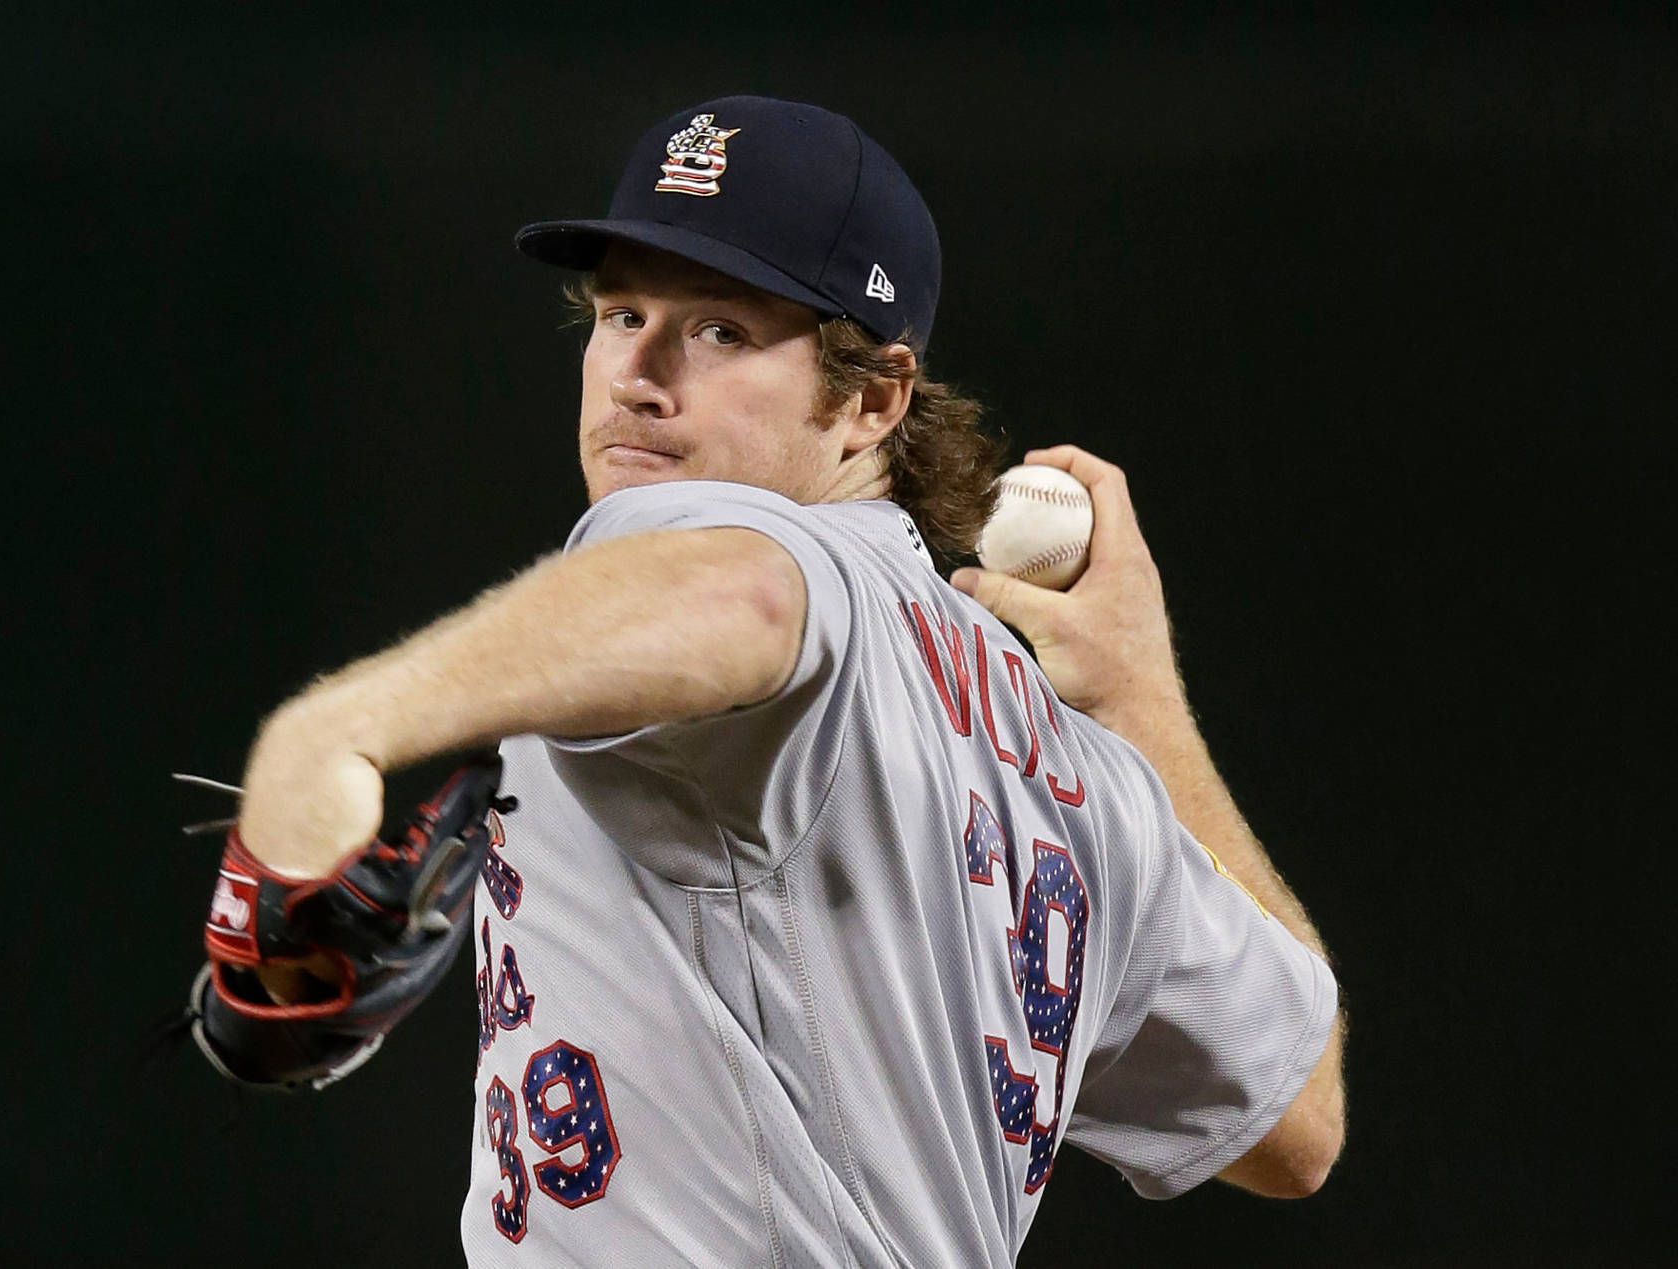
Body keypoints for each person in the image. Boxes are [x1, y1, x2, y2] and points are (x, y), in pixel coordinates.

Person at [195, 95, 1345, 1267]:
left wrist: (343, 723)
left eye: (718, 332)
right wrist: (1140, 705)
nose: (637, 374)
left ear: (872, 399)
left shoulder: (727, 554)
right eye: (621, 312)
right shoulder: (1073, 763)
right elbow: (1295, 1116)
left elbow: (743, 596)